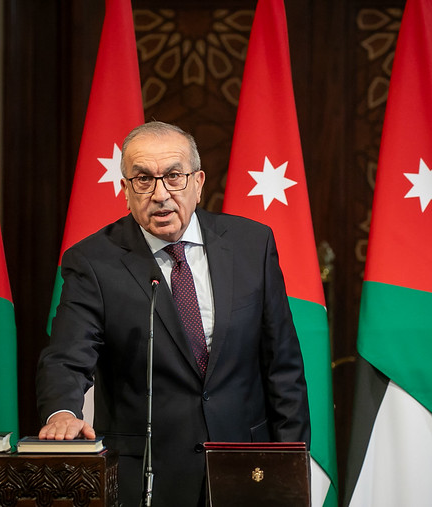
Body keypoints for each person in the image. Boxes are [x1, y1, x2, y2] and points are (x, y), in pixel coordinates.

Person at [36, 121, 310, 507]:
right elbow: (67, 356)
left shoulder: (252, 244)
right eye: (143, 179)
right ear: (125, 189)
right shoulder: (93, 262)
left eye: (173, 176)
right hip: (147, 475)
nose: (160, 194)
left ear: (198, 182)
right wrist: (62, 413)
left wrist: (290, 466)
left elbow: (283, 366)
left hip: (246, 467)